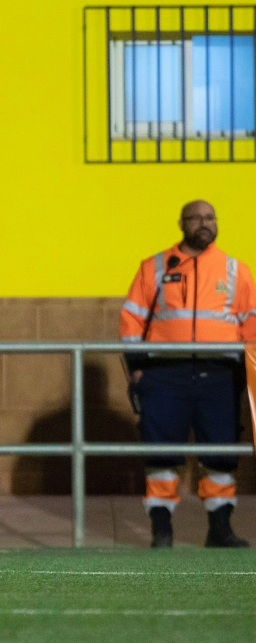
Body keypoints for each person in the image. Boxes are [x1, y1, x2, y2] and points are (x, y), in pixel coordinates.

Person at [120, 200, 254, 548]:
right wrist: (137, 370)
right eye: (195, 218)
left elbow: (252, 324)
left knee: (221, 450)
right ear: (181, 223)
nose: (203, 223)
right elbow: (132, 319)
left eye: (210, 217)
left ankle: (220, 528)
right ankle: (161, 530)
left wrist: (248, 373)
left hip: (220, 374)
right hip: (164, 373)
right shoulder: (155, 267)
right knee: (161, 451)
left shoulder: (236, 270)